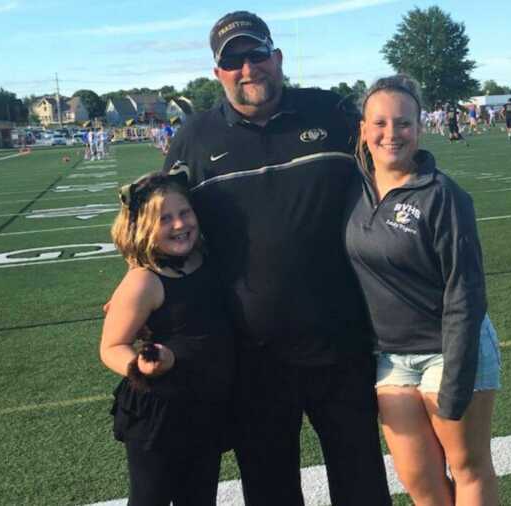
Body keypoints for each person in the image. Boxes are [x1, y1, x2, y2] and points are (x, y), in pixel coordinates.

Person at [162, 11, 390, 506]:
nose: (248, 69)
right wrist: (139, 301)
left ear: (278, 58)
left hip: (342, 342)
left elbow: (393, 176)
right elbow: (163, 229)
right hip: (252, 357)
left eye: (257, 55)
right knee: (270, 492)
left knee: (363, 486)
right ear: (217, 72)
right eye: (233, 61)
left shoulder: (331, 113)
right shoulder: (194, 140)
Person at [346, 74, 501, 506]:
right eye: (379, 123)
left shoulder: (443, 195)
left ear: (420, 127)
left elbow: (466, 294)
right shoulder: (350, 189)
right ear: (362, 129)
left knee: (468, 468)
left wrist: (456, 376)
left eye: (403, 123)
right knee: (422, 484)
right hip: (392, 359)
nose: (391, 134)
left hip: (449, 351)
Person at [100, 169, 233, 506]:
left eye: (184, 213)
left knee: (200, 497)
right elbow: (111, 346)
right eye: (164, 219)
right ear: (143, 228)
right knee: (151, 498)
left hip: (203, 403)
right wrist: (142, 366)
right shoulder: (144, 281)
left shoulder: (205, 260)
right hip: (159, 412)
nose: (179, 224)